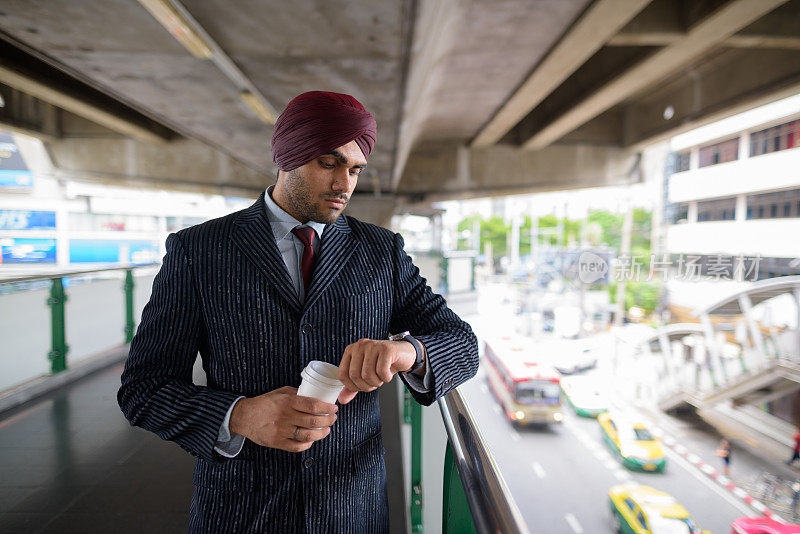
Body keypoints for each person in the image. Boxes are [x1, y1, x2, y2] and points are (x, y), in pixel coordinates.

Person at [117, 90, 479, 533]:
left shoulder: (381, 251)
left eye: (355, 169)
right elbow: (142, 389)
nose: (344, 184)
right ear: (288, 156)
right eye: (328, 163)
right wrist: (241, 415)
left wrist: (404, 353)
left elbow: (463, 344)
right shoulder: (200, 251)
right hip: (239, 512)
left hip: (352, 511)